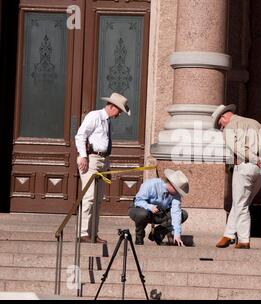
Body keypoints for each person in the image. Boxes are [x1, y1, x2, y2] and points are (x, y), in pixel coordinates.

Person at [213, 104, 261, 249]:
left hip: (246, 166)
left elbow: (237, 148)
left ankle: (244, 240)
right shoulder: (256, 123)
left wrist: (255, 159)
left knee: (241, 204)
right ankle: (228, 234)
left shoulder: (230, 127)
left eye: (220, 125)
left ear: (224, 117)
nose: (221, 128)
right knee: (241, 201)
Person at [75, 92, 130, 243]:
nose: (119, 114)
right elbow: (80, 136)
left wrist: (108, 167)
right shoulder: (95, 116)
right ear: (112, 107)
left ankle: (93, 233)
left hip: (102, 160)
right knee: (89, 196)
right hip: (91, 159)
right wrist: (83, 155)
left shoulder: (107, 121)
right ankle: (82, 232)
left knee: (98, 199)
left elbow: (105, 145)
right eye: (119, 111)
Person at [128, 169, 189, 246]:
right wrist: (150, 207)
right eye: (177, 190)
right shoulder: (150, 184)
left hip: (160, 213)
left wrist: (177, 234)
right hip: (140, 209)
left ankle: (157, 233)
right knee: (143, 214)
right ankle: (139, 237)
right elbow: (138, 201)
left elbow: (176, 212)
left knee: (183, 214)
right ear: (171, 184)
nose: (178, 193)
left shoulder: (175, 194)